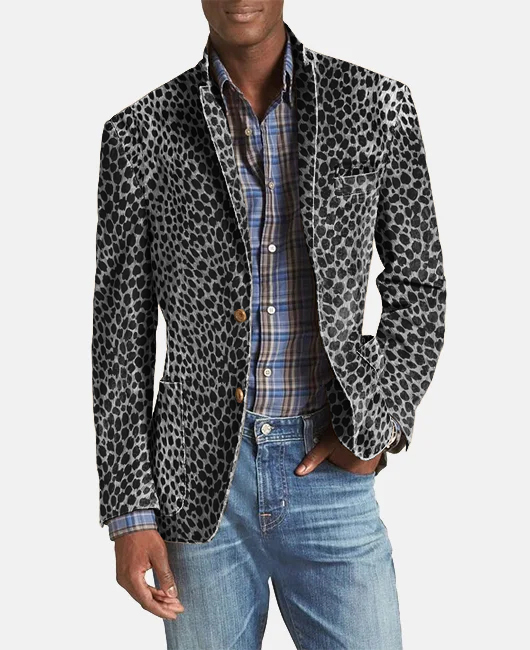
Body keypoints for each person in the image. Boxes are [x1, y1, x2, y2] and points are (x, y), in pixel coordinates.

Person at [92, 1, 447, 647]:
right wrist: (130, 512)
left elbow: (419, 283)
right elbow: (120, 334)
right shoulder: (139, 133)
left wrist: (377, 424)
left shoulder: (375, 105)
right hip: (198, 487)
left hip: (332, 470)